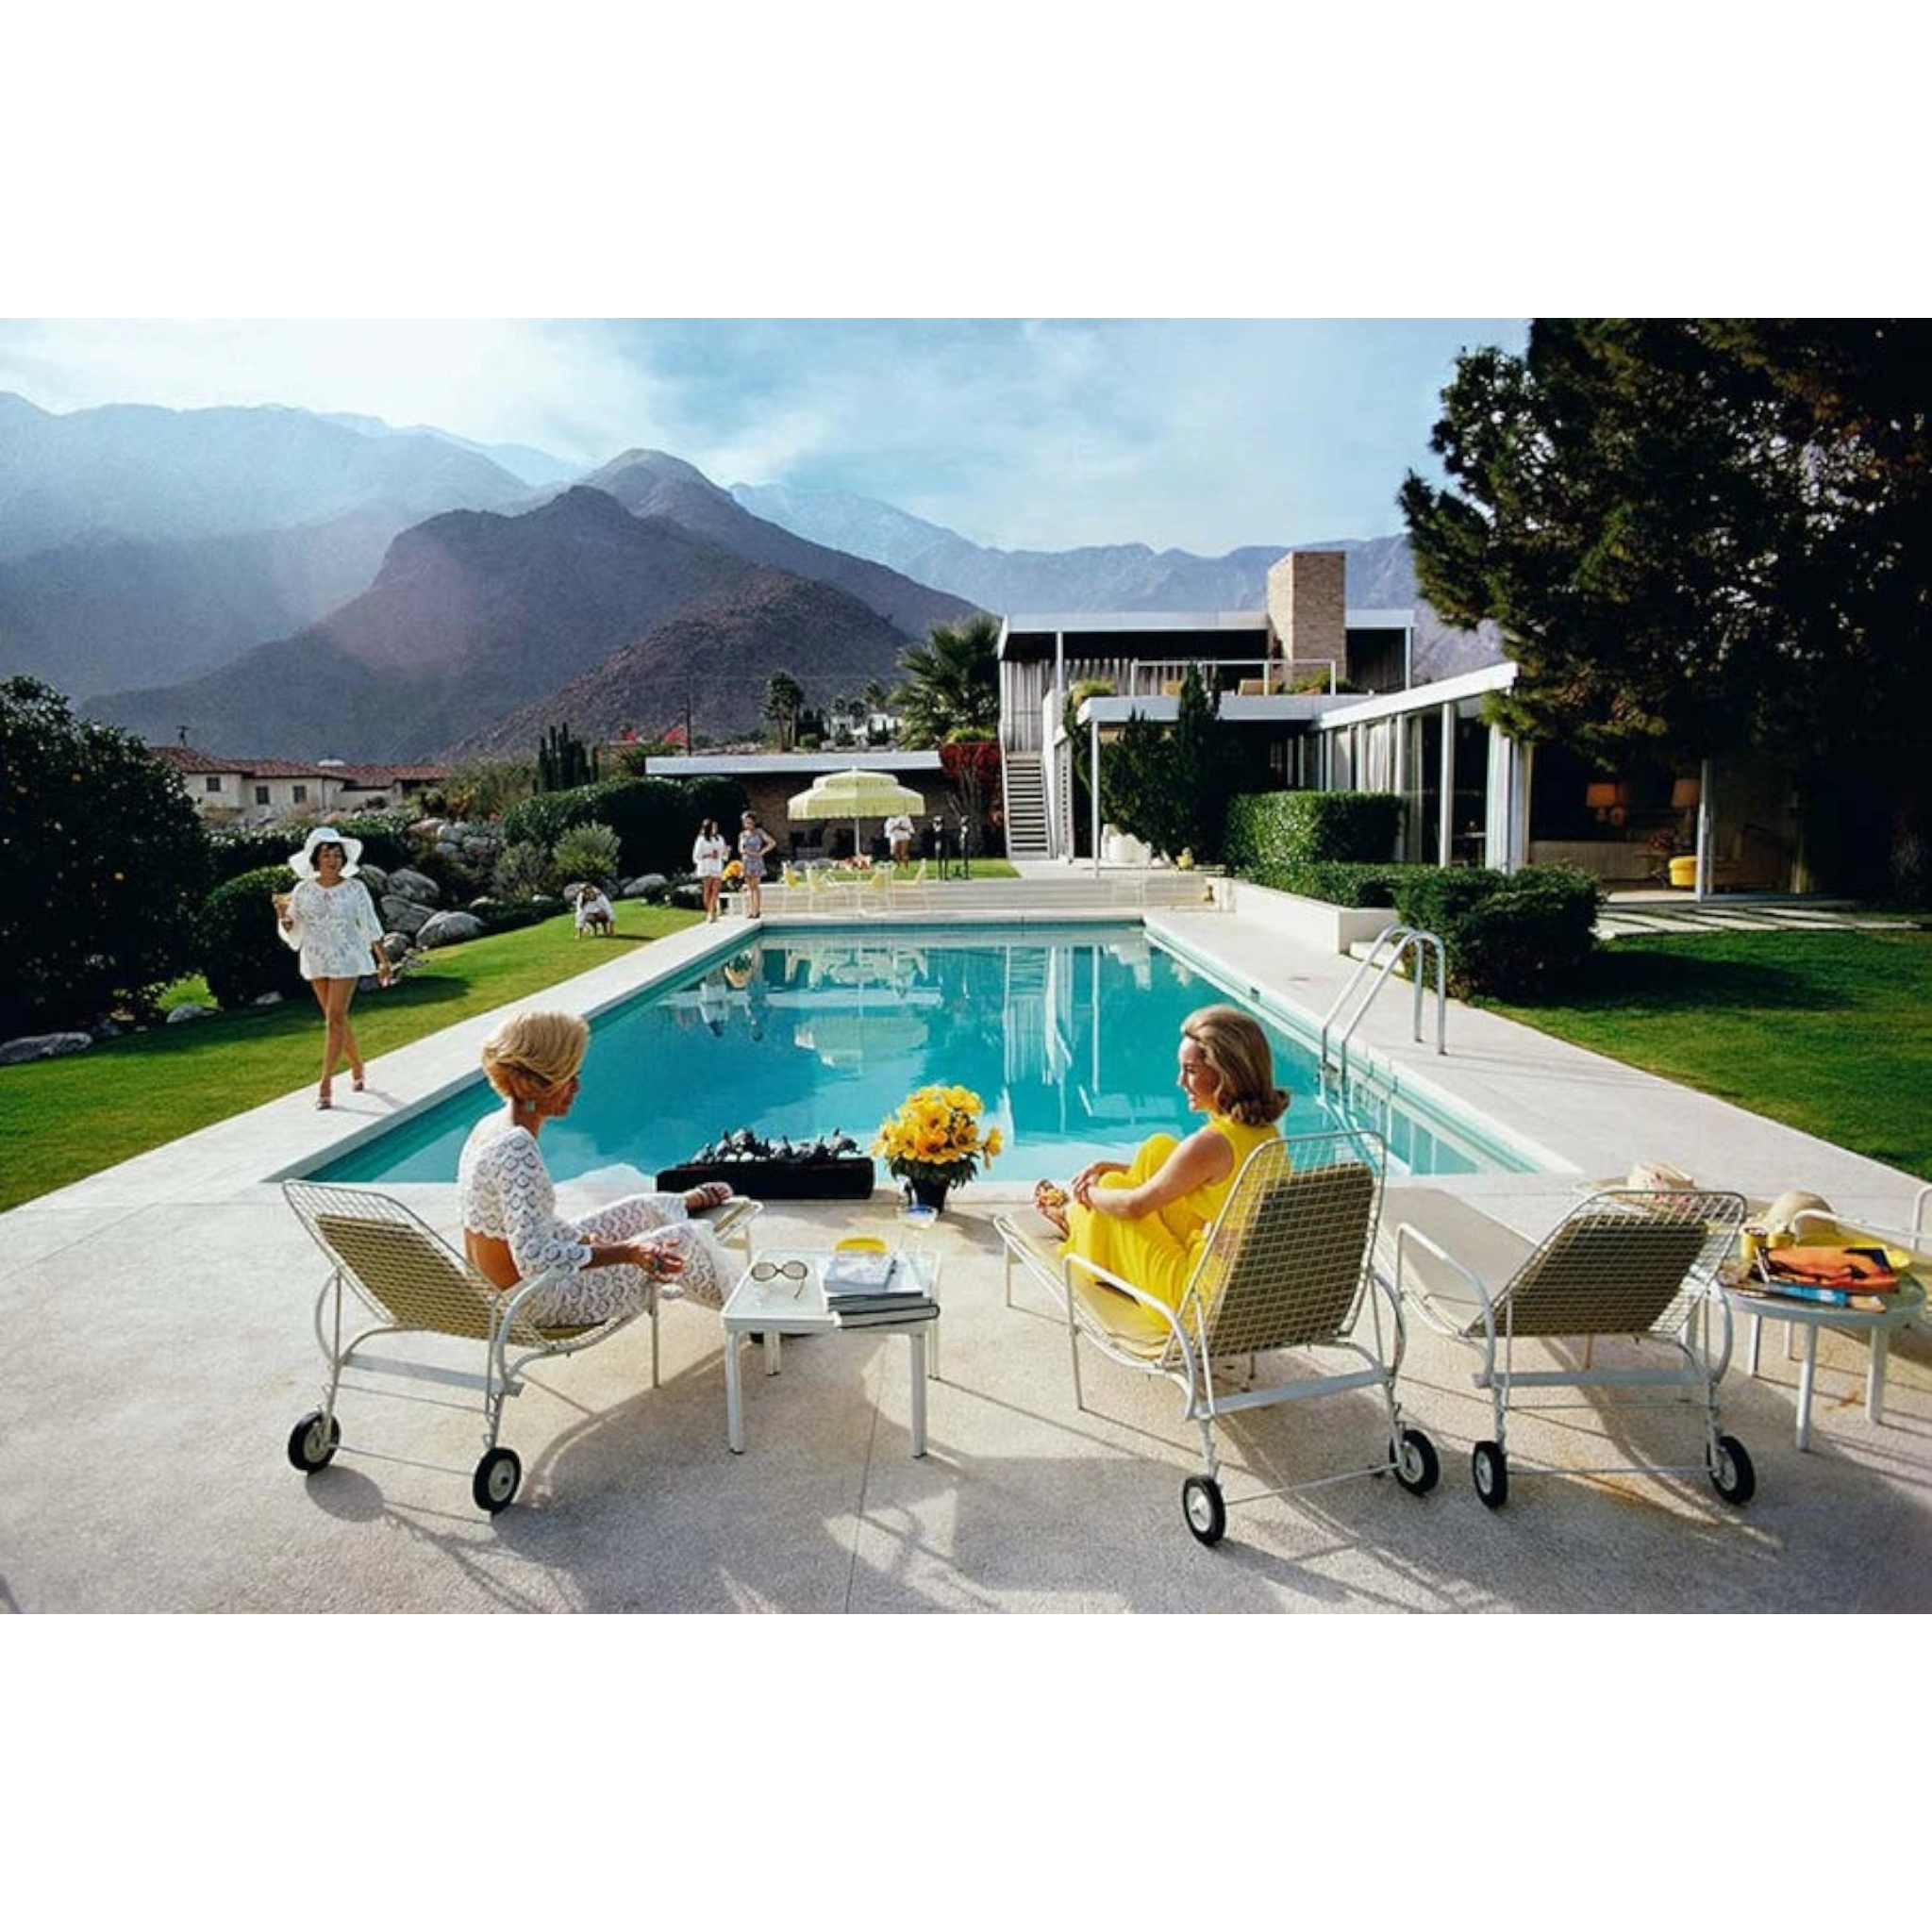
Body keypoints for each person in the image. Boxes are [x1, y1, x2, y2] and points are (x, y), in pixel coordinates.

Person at [458, 1010, 736, 1324]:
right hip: (533, 1301)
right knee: (685, 1239)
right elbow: (533, 1259)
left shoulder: (490, 1126)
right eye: (569, 1077)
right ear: (538, 1082)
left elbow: (527, 1224)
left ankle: (681, 1202)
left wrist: (586, 1242)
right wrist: (628, 1251)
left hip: (499, 1290)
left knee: (639, 1207)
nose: (577, 1087)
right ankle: (756, 1316)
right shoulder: (516, 1146)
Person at [1035, 1005, 1290, 1314]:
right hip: (1240, 1285)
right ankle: (1088, 1223)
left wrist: (1087, 1192)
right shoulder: (1264, 1133)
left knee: (1114, 1188)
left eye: (1191, 1071)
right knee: (1158, 1150)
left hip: (1193, 1299)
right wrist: (1111, 1168)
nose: (1180, 1081)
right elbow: (1189, 1175)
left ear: (1227, 1075)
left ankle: (1074, 1217)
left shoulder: (1211, 1144)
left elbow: (1134, 1206)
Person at [274, 826, 391, 1109]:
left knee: (334, 1019)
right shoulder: (302, 890)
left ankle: (325, 1084)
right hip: (316, 958)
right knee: (335, 1018)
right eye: (327, 854)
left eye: (337, 854)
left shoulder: (355, 889)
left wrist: (383, 960)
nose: (333, 859)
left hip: (347, 956)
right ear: (316, 858)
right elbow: (293, 928)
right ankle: (358, 1067)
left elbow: (370, 925)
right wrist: (284, 920)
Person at [738, 810, 775, 918]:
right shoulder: (742, 834)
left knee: (755, 886)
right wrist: (745, 852)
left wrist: (761, 852)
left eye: (749, 822)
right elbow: (740, 848)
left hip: (756, 861)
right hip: (746, 861)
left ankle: (756, 910)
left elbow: (772, 843)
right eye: (745, 822)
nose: (747, 824)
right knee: (749, 887)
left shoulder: (759, 832)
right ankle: (752, 910)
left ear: (754, 822)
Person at [691, 818, 729, 923]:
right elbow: (696, 856)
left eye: (716, 827)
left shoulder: (720, 838)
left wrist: (726, 851)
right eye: (713, 827)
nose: (715, 829)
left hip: (717, 867)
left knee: (716, 891)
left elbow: (724, 856)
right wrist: (709, 854)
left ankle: (712, 911)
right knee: (708, 890)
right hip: (706, 867)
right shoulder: (701, 839)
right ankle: (711, 913)